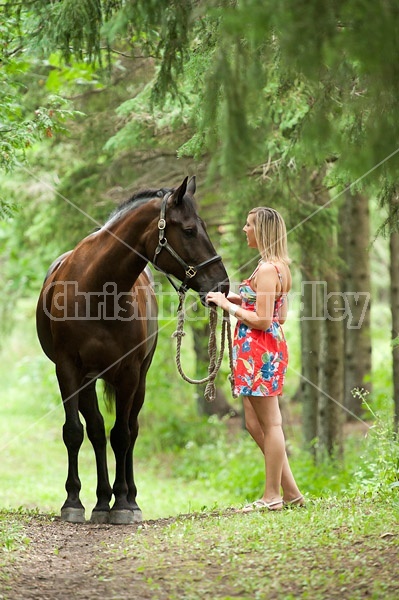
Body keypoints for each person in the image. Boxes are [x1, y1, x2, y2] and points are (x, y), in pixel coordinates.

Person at [206, 207, 304, 511]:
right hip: (257, 351)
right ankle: (292, 493)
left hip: (259, 351)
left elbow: (263, 320)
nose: (244, 229)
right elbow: (280, 314)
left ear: (261, 230)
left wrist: (228, 306)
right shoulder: (277, 267)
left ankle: (272, 495)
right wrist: (237, 299)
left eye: (248, 225)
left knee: (271, 423)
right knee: (253, 422)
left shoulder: (266, 269)